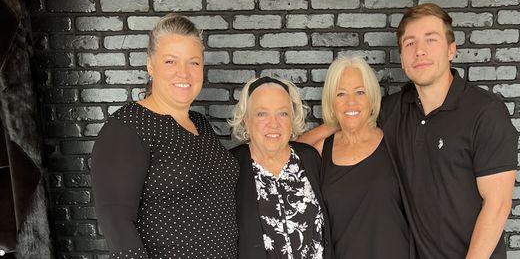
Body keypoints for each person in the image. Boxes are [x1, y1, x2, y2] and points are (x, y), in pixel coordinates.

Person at [300, 3, 517, 259]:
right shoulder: (394, 111)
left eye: (431, 40)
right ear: (402, 58)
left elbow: (498, 205)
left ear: (451, 49)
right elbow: (346, 121)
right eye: (410, 43)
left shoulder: (485, 112)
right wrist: (341, 117)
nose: (420, 51)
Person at [90, 14, 238, 258]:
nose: (184, 73)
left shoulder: (201, 124)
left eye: (194, 63)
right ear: (150, 65)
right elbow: (116, 223)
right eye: (171, 61)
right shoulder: (127, 127)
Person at [316, 56, 412, 258]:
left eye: (360, 92)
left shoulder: (395, 142)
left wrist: (350, 115)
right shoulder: (320, 150)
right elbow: (287, 152)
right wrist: (341, 120)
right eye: (341, 94)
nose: (351, 101)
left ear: (372, 97)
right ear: (330, 101)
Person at [228, 77, 333, 259]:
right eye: (262, 114)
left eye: (282, 113)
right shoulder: (231, 166)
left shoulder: (309, 158)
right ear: (246, 120)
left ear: (292, 118)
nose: (274, 123)